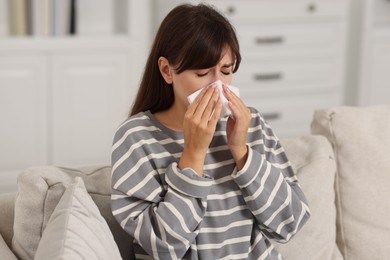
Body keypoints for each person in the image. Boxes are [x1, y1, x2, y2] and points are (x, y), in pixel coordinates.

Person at [111, 3, 310, 260]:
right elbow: (166, 247)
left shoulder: (252, 125)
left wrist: (243, 153)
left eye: (226, 71)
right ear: (166, 70)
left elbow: (290, 224)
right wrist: (193, 155)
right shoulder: (137, 138)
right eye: (202, 72)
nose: (217, 84)